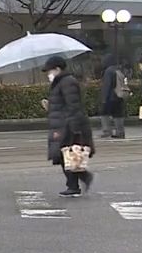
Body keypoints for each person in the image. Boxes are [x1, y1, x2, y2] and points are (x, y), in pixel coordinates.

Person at [42, 56, 95, 198]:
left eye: (50, 71)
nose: (48, 74)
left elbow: (73, 105)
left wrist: (74, 127)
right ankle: (78, 181)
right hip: (61, 123)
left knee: (66, 154)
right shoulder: (61, 82)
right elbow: (63, 104)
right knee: (64, 155)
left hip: (67, 125)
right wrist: (50, 105)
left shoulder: (67, 82)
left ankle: (77, 182)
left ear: (58, 69)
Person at [99, 54, 127, 139]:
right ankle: (120, 132)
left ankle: (107, 131)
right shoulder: (118, 70)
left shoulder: (108, 71)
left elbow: (107, 85)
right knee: (118, 114)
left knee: (104, 113)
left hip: (111, 96)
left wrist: (104, 98)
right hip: (119, 95)